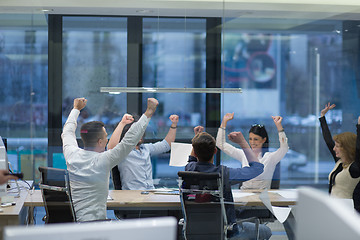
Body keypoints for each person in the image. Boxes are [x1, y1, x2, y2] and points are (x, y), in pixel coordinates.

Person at [62, 97, 158, 222]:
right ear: (100, 141)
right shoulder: (104, 160)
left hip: (75, 224)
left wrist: (76, 109)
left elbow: (67, 132)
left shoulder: (72, 155)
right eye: (106, 136)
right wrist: (148, 112)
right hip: (97, 226)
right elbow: (129, 141)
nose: (108, 139)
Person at [186, 126, 272, 240]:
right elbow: (257, 168)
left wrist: (197, 138)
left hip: (196, 230)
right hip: (226, 232)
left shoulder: (189, 169)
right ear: (215, 151)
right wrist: (242, 142)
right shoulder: (224, 173)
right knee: (266, 231)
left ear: (195, 153)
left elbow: (192, 159)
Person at [216, 113, 288, 190]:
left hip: (263, 197)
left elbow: (284, 148)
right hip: (244, 195)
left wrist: (279, 126)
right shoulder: (243, 154)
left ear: (264, 140)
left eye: (256, 139)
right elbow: (220, 143)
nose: (252, 142)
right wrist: (224, 122)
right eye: (250, 139)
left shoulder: (270, 157)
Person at [108, 114, 179, 190]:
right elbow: (111, 148)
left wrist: (174, 125)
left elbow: (166, 145)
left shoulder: (146, 148)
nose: (139, 135)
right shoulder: (123, 151)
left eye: (140, 132)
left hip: (150, 193)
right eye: (135, 132)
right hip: (132, 195)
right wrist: (122, 123)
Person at [319, 102, 360, 213]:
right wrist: (322, 117)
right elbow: (328, 141)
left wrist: (359, 126)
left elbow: (359, 148)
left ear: (347, 148)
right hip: (334, 210)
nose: (334, 148)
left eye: (337, 146)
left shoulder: (355, 168)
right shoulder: (340, 162)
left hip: (347, 212)